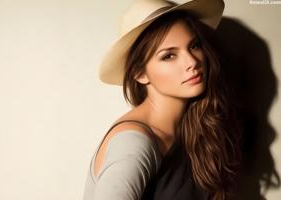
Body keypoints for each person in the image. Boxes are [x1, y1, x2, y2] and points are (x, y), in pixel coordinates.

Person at [83, 0, 241, 199]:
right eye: (169, 56)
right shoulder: (133, 144)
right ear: (140, 73)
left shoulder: (195, 127)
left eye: (194, 46)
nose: (192, 62)